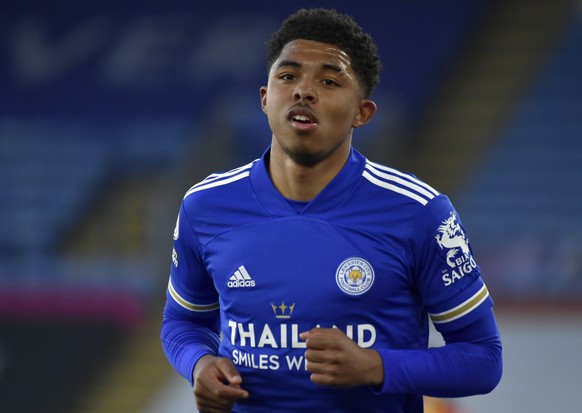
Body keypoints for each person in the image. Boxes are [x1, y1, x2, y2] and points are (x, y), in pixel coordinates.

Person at [161, 8, 502, 413]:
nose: (304, 91)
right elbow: (183, 324)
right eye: (288, 76)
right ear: (266, 99)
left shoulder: (419, 212)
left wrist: (377, 366)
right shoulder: (205, 206)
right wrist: (198, 364)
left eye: (329, 80)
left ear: (363, 113)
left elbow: (483, 358)